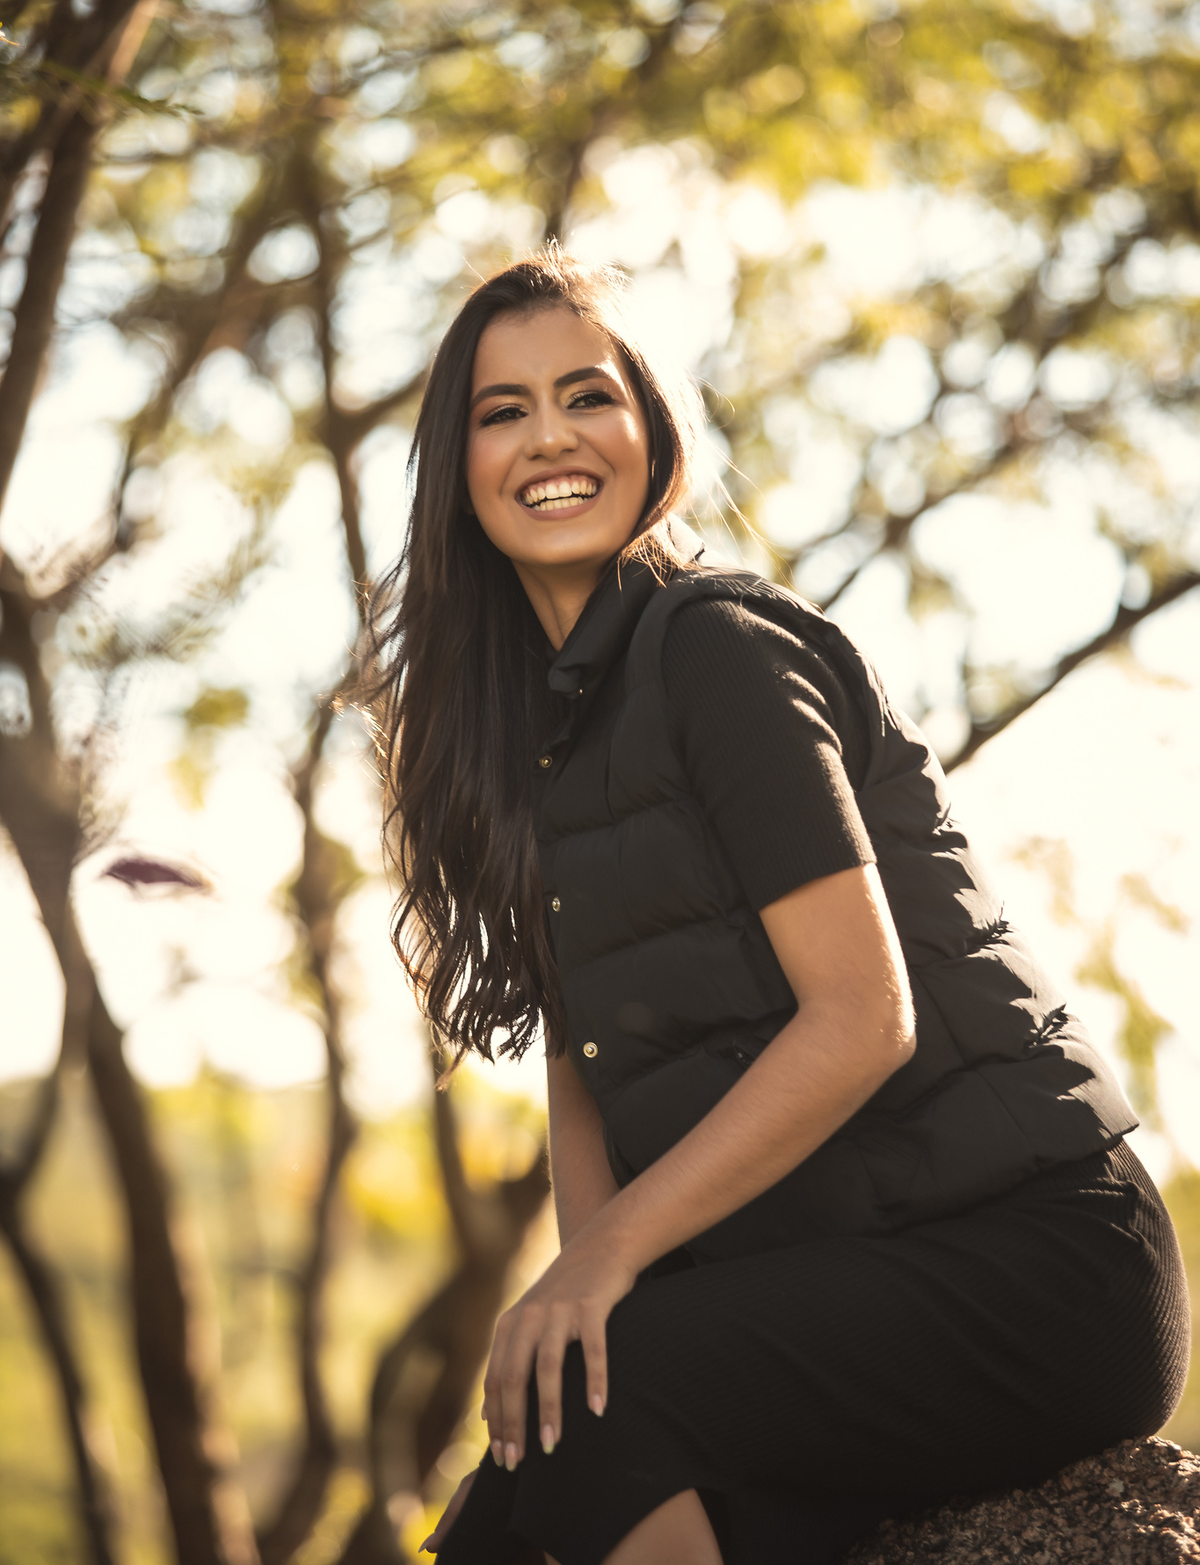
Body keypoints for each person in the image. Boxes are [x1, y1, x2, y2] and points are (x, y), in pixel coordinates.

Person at [365, 250, 1189, 1565]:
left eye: (589, 395)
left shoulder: (717, 650)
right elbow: (587, 1069)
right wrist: (592, 1285)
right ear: (455, 469)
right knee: (521, 1478)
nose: (551, 439)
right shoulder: (537, 749)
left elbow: (865, 1018)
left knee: (609, 1393)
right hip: (841, 1280)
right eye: (501, 410)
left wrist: (607, 1274)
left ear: (653, 430)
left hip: (1042, 1262)